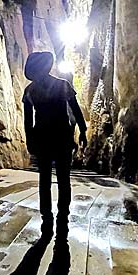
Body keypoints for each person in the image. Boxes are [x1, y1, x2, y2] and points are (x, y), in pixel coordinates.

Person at [22, 51, 87, 236]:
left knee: (49, 180)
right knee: (59, 179)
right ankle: (57, 217)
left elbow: (28, 121)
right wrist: (82, 131)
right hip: (59, 137)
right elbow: (76, 109)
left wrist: (30, 140)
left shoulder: (30, 90)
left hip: (49, 138)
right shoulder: (61, 86)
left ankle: (51, 218)